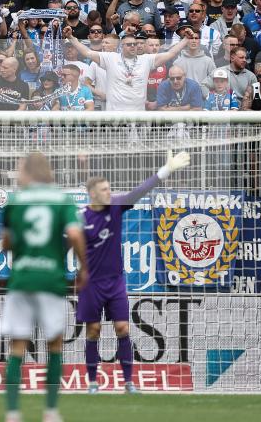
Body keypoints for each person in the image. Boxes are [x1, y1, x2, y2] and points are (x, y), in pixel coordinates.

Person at [79, 150, 190, 395]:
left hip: (116, 281)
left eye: (110, 188)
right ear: (93, 194)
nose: (110, 192)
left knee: (123, 329)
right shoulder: (81, 218)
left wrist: (166, 170)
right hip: (91, 283)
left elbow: (140, 191)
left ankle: (129, 382)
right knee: (93, 330)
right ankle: (92, 383)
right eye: (105, 189)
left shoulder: (117, 206)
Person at [0, 152, 88, 422]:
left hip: (22, 278)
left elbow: (5, 244)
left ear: (28, 170)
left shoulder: (15, 201)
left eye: (19, 168)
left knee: (17, 346)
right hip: (51, 280)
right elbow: (74, 234)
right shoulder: (63, 200)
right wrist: (84, 267)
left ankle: (13, 413)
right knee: (54, 345)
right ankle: (51, 411)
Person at [64, 28, 189, 111]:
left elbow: (171, 53)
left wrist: (186, 39)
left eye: (135, 44)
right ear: (122, 46)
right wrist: (71, 37)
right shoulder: (110, 58)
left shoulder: (146, 59)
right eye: (129, 44)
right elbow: (87, 52)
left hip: (138, 115)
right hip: (115, 115)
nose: (133, 46)